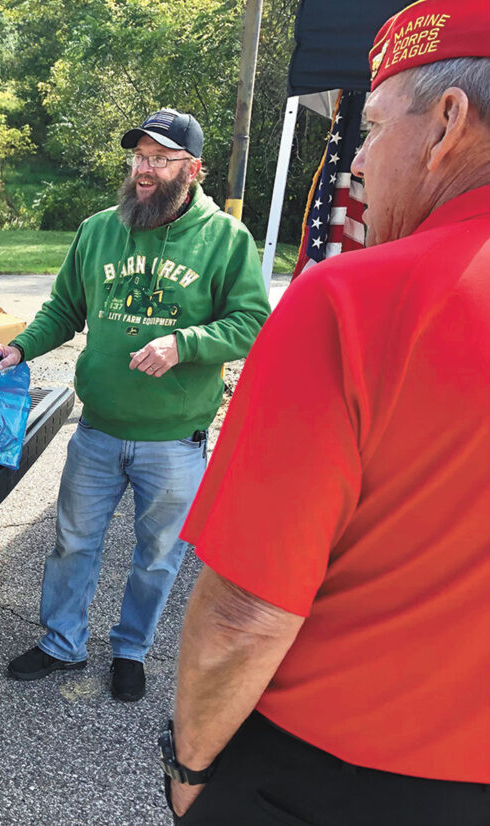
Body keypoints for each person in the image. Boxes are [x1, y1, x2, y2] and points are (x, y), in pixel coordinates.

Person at [165, 2, 490, 823]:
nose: (358, 164)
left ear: (448, 122)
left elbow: (244, 613)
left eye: (373, 129)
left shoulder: (352, 301)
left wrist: (190, 766)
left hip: (328, 773)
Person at [0, 109, 270, 701]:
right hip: (97, 429)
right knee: (73, 543)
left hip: (173, 439)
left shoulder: (226, 240)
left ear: (192, 170)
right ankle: (62, 642)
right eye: (139, 157)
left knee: (158, 557)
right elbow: (64, 308)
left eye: (160, 160)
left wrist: (184, 344)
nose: (144, 170)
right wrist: (20, 348)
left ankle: (130, 650)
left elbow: (253, 323)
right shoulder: (98, 230)